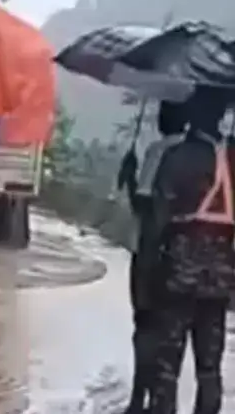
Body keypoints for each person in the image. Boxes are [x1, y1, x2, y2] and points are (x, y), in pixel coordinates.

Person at [145, 88, 235, 414]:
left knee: (167, 363)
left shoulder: (178, 157)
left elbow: (156, 222)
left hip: (179, 270)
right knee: (210, 365)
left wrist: (148, 274)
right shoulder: (232, 160)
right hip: (222, 275)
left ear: (193, 114)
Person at [125, 101, 187, 414]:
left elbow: (145, 207)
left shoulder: (160, 151)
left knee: (145, 325)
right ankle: (163, 402)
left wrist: (130, 179)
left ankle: (140, 399)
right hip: (187, 261)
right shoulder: (209, 156)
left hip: (150, 253)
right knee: (172, 334)